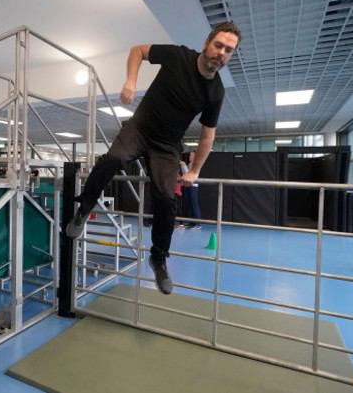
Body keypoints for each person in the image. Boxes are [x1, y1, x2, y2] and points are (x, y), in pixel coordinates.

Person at [66, 21, 241, 295]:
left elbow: (208, 135)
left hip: (167, 145)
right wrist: (131, 81)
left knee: (166, 198)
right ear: (207, 43)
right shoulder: (178, 56)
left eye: (229, 50)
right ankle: (83, 209)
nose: (222, 52)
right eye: (219, 45)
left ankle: (158, 258)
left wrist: (194, 170)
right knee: (113, 159)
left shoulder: (215, 92)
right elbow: (138, 51)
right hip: (140, 128)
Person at [185, 151, 202, 230]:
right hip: (189, 185)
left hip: (193, 186)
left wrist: (183, 165)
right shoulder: (190, 164)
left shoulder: (195, 165)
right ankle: (192, 222)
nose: (190, 156)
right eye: (190, 155)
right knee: (191, 204)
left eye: (191, 155)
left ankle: (197, 224)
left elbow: (189, 174)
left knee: (194, 204)